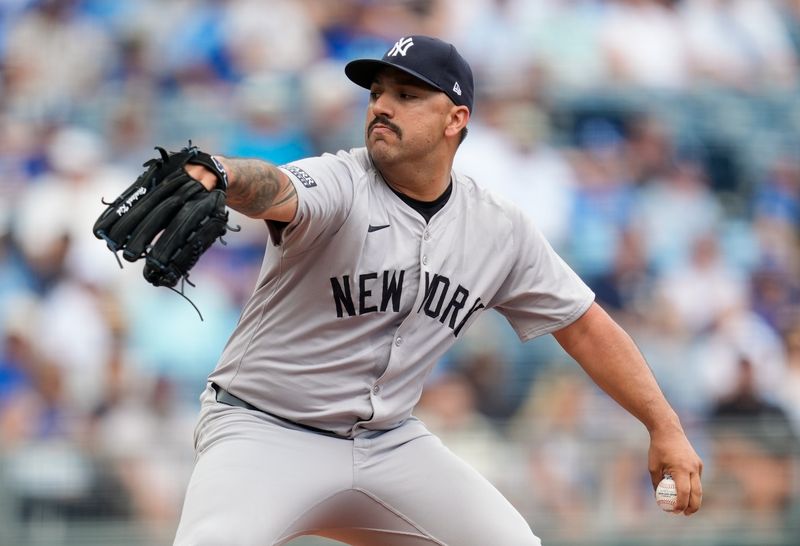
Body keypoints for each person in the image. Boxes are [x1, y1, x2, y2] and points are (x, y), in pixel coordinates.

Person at [175, 35, 703, 545]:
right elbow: (276, 187)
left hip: (389, 444)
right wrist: (222, 172)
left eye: (406, 95)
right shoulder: (340, 181)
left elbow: (585, 326)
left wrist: (664, 425)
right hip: (264, 430)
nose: (382, 106)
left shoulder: (497, 227)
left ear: (456, 119)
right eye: (377, 92)